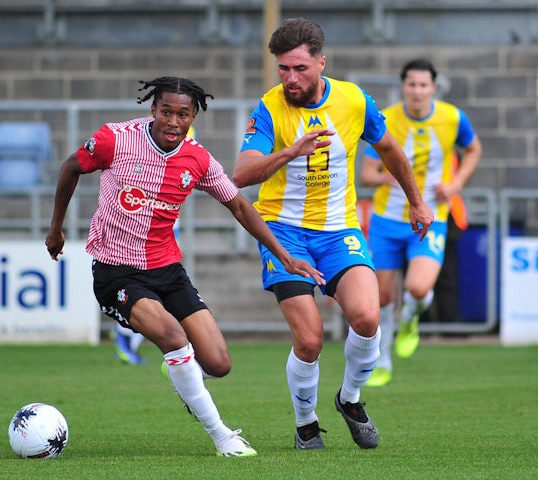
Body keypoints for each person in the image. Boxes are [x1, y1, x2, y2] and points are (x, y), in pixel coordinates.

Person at [45, 76, 325, 457]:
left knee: (219, 363)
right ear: (153, 110)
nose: (173, 122)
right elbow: (70, 168)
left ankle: (180, 371)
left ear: (194, 116)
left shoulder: (198, 159)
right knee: (174, 338)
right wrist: (56, 228)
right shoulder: (116, 139)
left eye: (183, 114)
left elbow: (240, 206)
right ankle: (223, 436)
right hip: (116, 272)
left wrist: (283, 254)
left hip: (168, 271)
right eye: (166, 112)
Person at [232, 18, 434, 450]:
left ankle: (350, 399)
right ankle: (306, 423)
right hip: (282, 232)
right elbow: (242, 174)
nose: (290, 78)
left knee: (367, 316)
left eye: (300, 69)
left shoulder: (353, 99)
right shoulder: (269, 108)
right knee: (309, 340)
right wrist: (290, 151)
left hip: (338, 228)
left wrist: (416, 201)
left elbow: (391, 150)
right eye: (283, 69)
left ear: (322, 62)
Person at [360, 59, 481, 386]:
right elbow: (367, 173)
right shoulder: (385, 118)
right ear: (403, 86)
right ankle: (382, 360)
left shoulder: (453, 117)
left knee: (418, 287)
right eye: (411, 84)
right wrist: (388, 178)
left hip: (431, 219)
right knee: (381, 298)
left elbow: (473, 149)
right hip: (387, 221)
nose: (417, 91)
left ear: (433, 87)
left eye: (423, 85)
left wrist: (455, 185)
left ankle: (411, 318)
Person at [111, 125, 198, 366]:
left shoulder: (187, 136)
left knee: (157, 295)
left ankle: (126, 333)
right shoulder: (146, 136)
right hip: (149, 225)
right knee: (151, 294)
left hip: (167, 222)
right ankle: (125, 334)